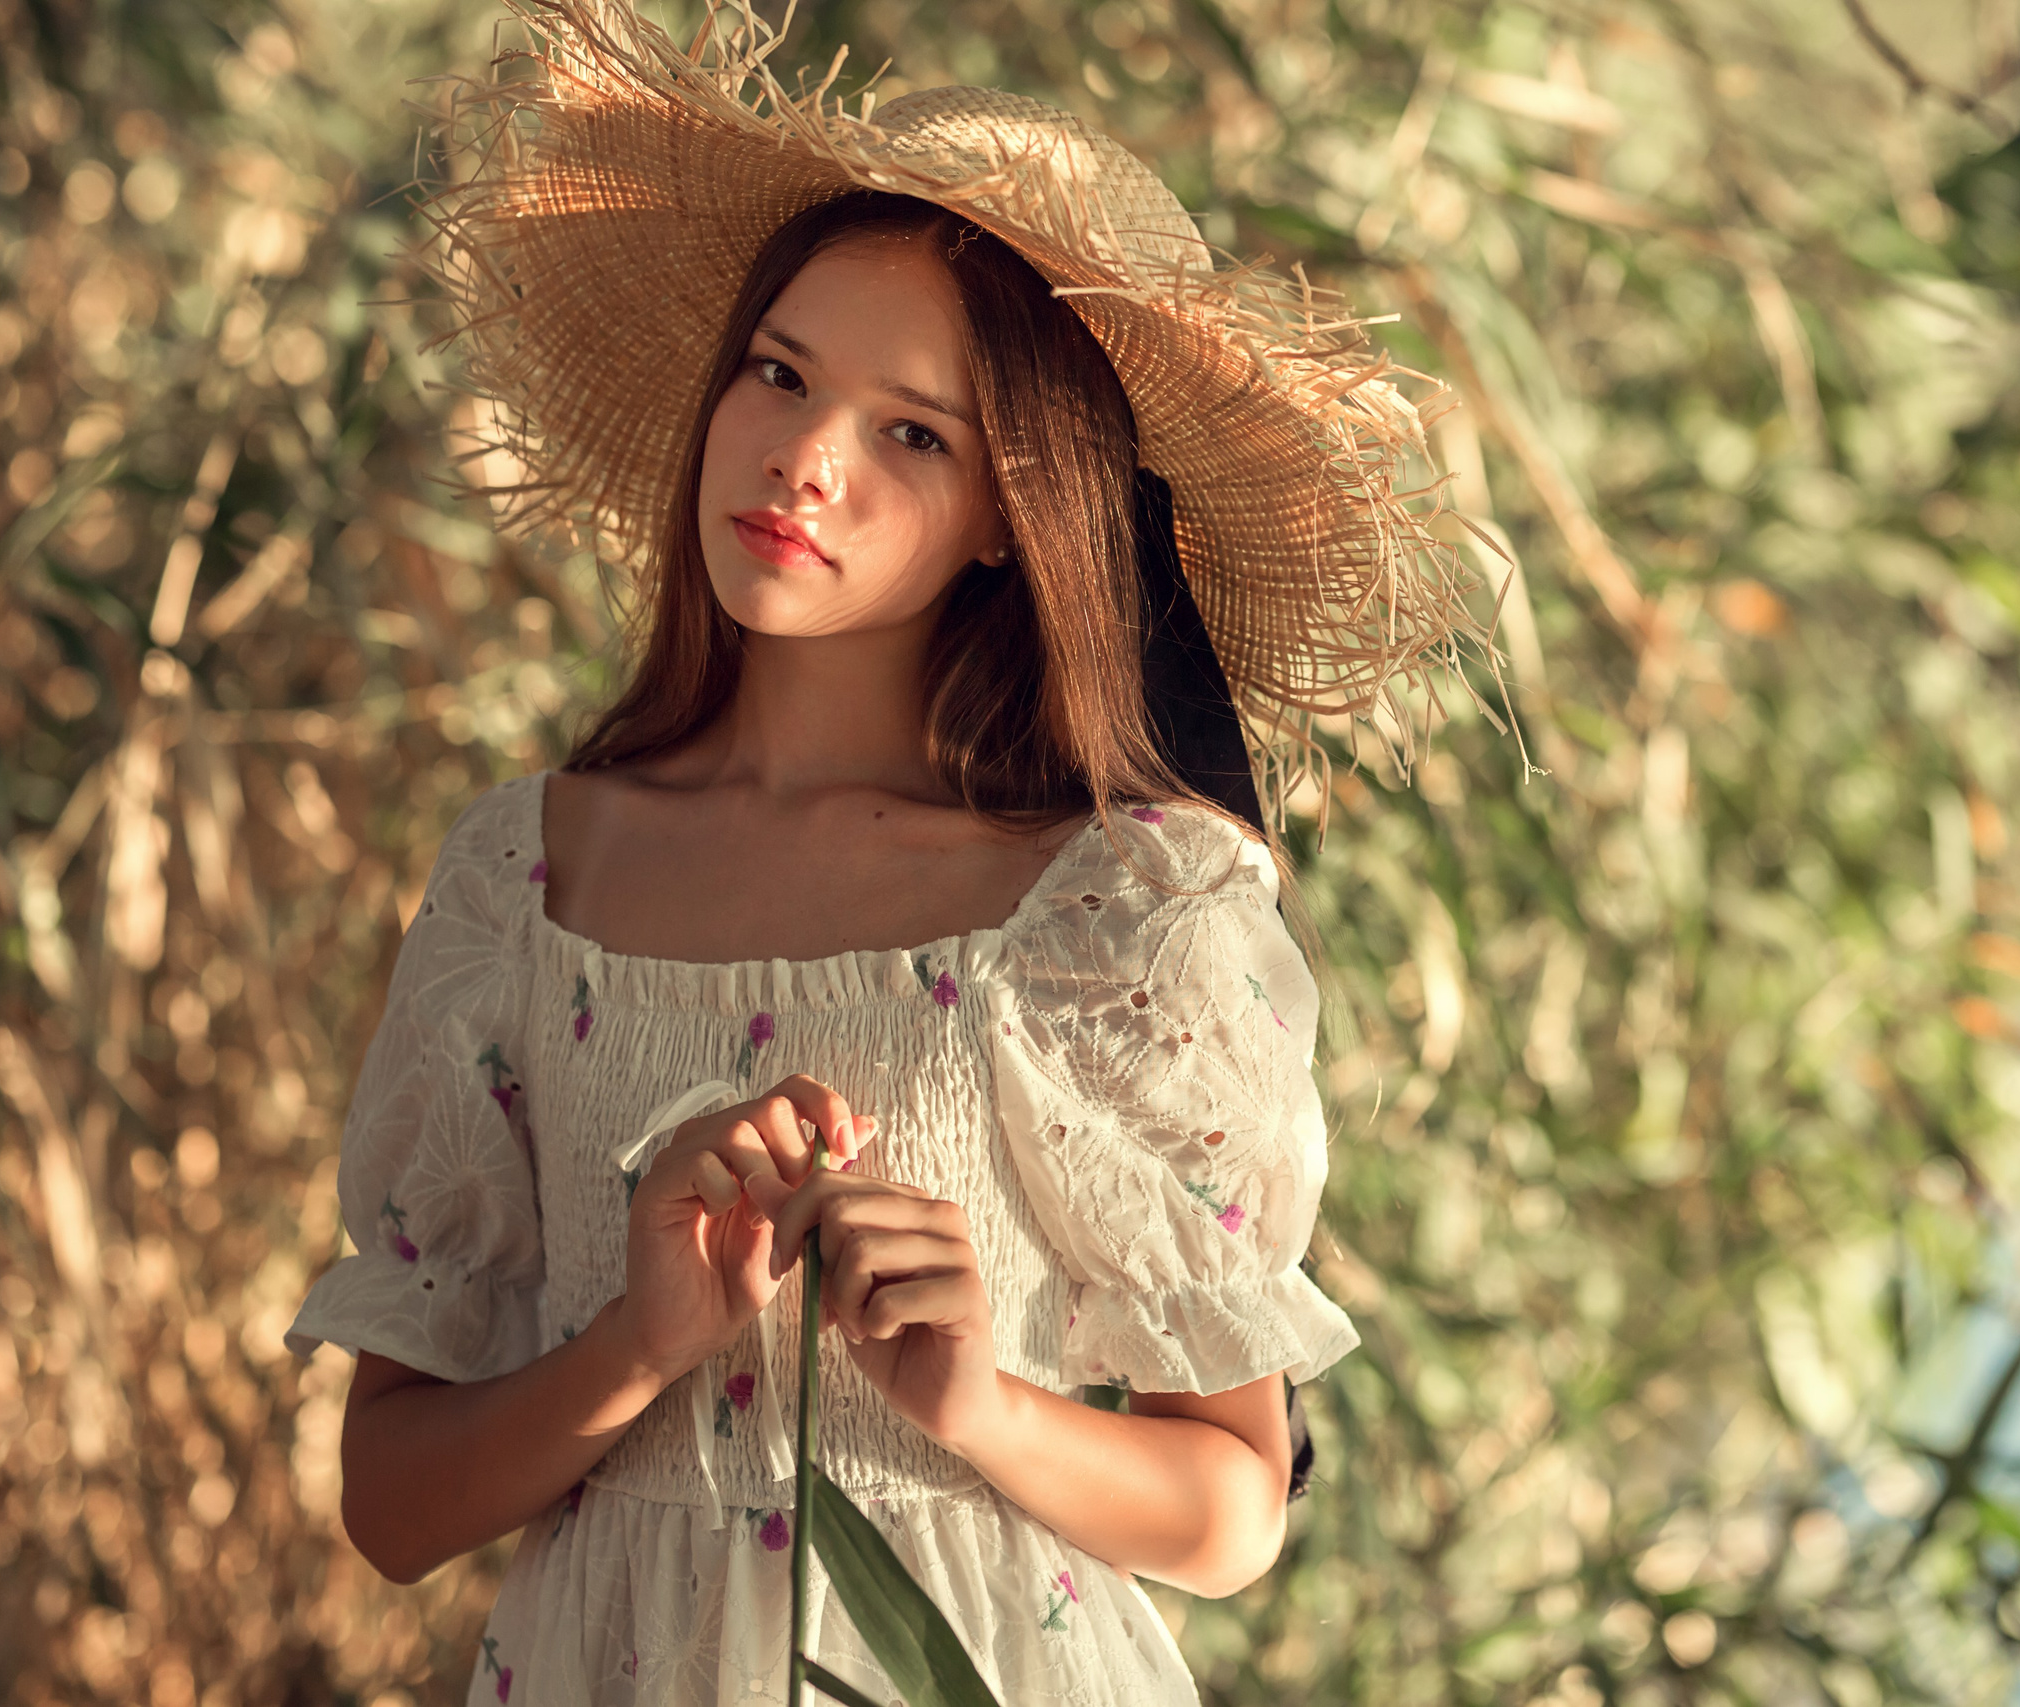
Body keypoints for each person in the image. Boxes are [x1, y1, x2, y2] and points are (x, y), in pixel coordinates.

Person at [284, 7, 1473, 1703]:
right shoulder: (521, 883)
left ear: (1013, 513)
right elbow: (390, 1504)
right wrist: (638, 1344)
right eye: (779, 373)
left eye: (912, 432)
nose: (806, 459)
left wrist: (977, 1402)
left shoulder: (1121, 911)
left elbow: (1230, 1510)